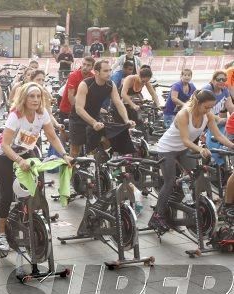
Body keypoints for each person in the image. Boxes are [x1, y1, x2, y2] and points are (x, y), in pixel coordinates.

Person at [0, 82, 72, 251]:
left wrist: (64, 155)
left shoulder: (42, 114)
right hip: (4, 156)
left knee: (34, 189)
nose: (36, 100)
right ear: (24, 98)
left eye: (38, 96)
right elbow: (6, 145)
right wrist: (18, 161)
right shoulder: (16, 115)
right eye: (32, 96)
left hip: (26, 152)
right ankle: (0, 235)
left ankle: (28, 218)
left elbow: (52, 137)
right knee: (7, 195)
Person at [149, 89, 234, 233]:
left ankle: (174, 196)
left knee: (195, 175)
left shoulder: (207, 115)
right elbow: (185, 140)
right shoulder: (184, 114)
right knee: (169, 182)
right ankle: (157, 216)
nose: (209, 110)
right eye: (206, 107)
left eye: (211, 107)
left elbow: (219, 136)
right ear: (197, 103)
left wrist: (232, 146)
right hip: (167, 149)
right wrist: (200, 149)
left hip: (183, 149)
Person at [69, 60, 136, 158]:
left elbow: (118, 103)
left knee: (109, 141)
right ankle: (71, 171)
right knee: (75, 150)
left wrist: (126, 120)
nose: (109, 73)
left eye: (110, 70)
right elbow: (79, 109)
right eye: (105, 71)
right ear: (96, 72)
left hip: (95, 118)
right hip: (78, 119)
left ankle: (96, 162)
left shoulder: (110, 84)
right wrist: (93, 123)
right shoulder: (85, 84)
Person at [58, 56, 95, 122]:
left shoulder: (92, 77)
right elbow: (70, 96)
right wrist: (78, 111)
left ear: (92, 67)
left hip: (81, 110)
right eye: (84, 64)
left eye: (88, 65)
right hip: (67, 108)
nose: (85, 67)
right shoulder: (74, 75)